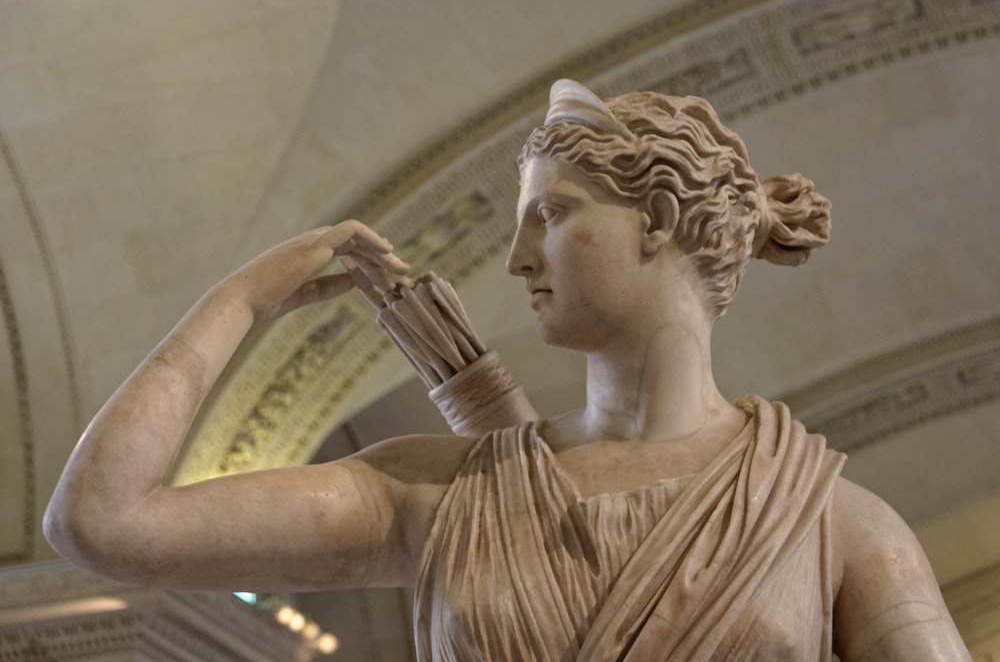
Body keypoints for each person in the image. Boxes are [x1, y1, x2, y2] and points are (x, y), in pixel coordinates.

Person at [44, 79, 971, 661]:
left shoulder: (833, 521)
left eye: (552, 215)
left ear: (656, 218)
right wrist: (242, 299)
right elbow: (102, 522)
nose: (519, 259)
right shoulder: (440, 493)